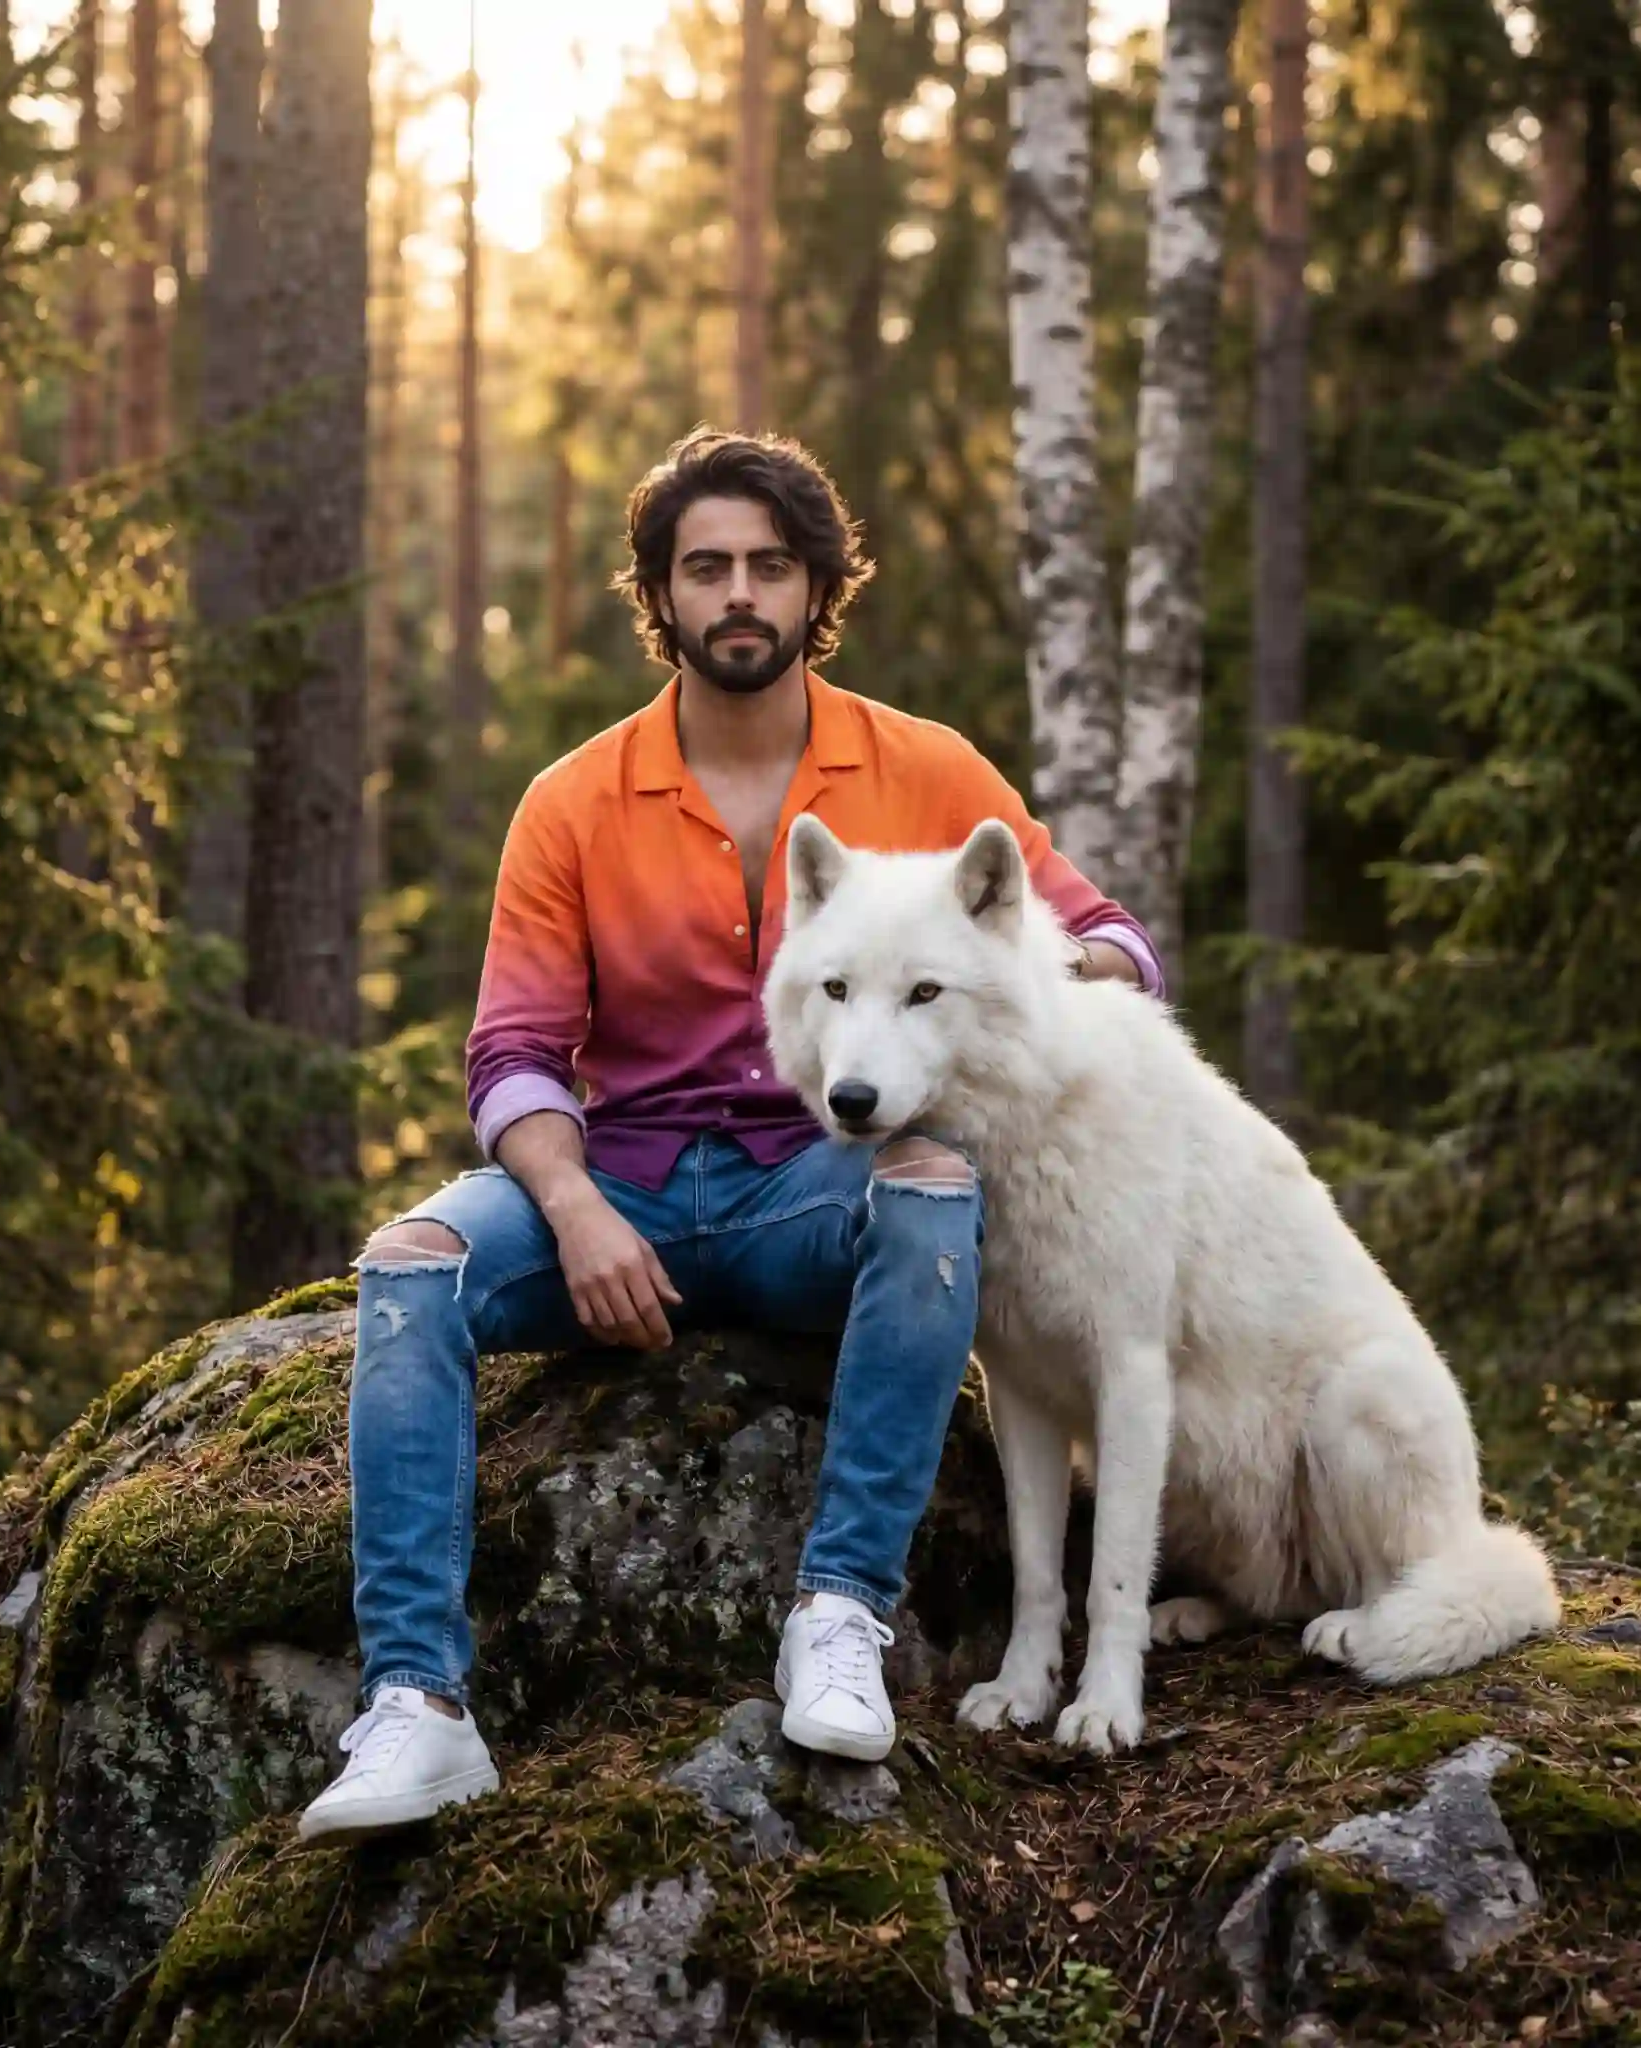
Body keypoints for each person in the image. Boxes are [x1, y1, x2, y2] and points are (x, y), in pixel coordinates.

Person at [298, 428, 1162, 1840]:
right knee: (407, 1266)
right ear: (664, 595)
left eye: (772, 565)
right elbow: (514, 1051)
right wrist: (574, 1212)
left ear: (819, 587)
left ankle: (838, 1617)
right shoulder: (572, 801)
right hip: (624, 1182)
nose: (741, 593)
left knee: (935, 1188)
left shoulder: (927, 770)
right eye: (708, 568)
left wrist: (1056, 1006)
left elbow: (1103, 933)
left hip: (818, 1188)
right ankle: (417, 1707)